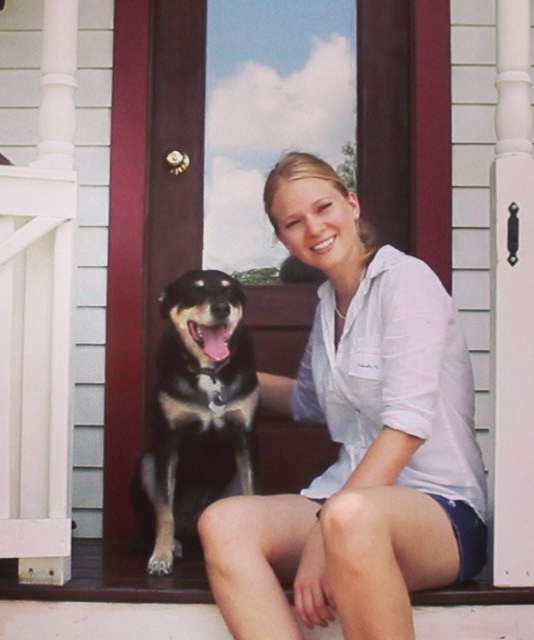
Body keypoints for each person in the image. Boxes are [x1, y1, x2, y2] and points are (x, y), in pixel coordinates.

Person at [198, 152, 488, 640]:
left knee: (348, 516)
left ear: (351, 204)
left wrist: (320, 542)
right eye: (294, 222)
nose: (313, 228)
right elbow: (309, 402)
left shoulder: (406, 282)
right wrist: (221, 371)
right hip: (342, 506)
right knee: (224, 523)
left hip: (441, 512)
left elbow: (407, 427)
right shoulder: (328, 304)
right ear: (281, 239)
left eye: (323, 208)